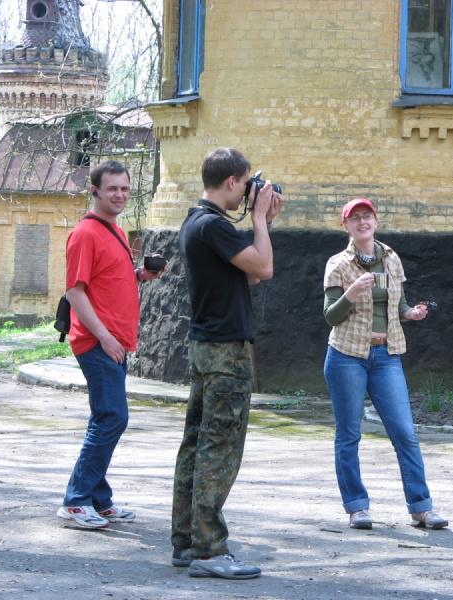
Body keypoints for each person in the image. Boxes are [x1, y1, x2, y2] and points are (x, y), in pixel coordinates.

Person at [170, 148, 281, 580]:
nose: (250, 190)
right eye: (247, 182)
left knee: (196, 446)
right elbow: (265, 268)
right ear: (232, 181)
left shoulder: (198, 222)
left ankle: (187, 541)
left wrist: (262, 223)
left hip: (206, 348)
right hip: (225, 353)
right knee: (219, 450)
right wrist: (259, 219)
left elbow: (249, 272)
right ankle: (209, 549)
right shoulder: (214, 225)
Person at [322, 198, 448, 531]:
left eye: (367, 217)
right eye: (355, 218)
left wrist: (411, 314)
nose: (362, 222)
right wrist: (350, 293)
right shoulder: (338, 264)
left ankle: (422, 508)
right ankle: (357, 507)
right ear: (345, 226)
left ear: (375, 222)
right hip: (347, 356)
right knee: (349, 434)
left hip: (386, 356)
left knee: (405, 433)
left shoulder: (391, 258)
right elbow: (330, 316)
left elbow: (399, 306)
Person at [57, 160, 162, 529]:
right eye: (112, 188)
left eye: (124, 188)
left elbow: (109, 278)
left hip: (115, 342)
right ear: (95, 191)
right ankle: (75, 502)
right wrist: (104, 336)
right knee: (113, 417)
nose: (119, 194)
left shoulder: (113, 230)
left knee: (105, 418)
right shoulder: (85, 233)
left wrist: (140, 275)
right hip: (97, 342)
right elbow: (75, 291)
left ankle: (99, 501)